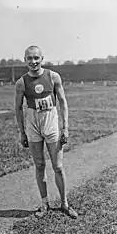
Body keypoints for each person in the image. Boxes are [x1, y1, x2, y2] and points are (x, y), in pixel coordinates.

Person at [15, 45, 78, 219]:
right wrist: (22, 132)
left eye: (36, 58)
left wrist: (65, 127)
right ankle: (44, 204)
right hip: (33, 123)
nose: (33, 61)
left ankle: (65, 203)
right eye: (30, 58)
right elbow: (18, 108)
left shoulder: (53, 76)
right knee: (40, 165)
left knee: (57, 166)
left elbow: (63, 103)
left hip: (50, 121)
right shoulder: (21, 82)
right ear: (25, 60)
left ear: (42, 58)